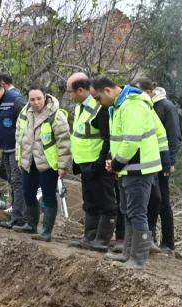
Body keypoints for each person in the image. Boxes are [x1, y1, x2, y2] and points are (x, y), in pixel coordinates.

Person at [91, 77, 168, 271]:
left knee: (137, 213)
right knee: (127, 211)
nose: (97, 103)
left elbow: (131, 142)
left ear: (108, 90)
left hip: (138, 169)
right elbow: (118, 139)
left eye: (98, 98)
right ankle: (128, 254)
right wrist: (113, 160)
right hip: (128, 168)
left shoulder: (131, 105)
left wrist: (116, 163)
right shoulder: (118, 106)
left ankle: (138, 260)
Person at [13, 84, 71, 242]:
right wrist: (20, 158)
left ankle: (46, 231)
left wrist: (62, 165)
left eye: (38, 98)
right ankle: (31, 224)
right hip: (28, 162)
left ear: (45, 97)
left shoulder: (56, 115)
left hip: (48, 163)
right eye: (32, 99)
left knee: (48, 196)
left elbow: (64, 141)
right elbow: (20, 137)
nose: (35, 102)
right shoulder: (25, 113)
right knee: (28, 192)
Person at [66, 73, 116, 252]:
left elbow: (108, 139)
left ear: (81, 90)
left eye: (70, 92)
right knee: (90, 202)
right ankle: (89, 237)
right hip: (84, 163)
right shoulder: (80, 107)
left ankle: (102, 241)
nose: (69, 95)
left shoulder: (100, 108)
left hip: (98, 164)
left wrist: (100, 162)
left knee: (105, 203)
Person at [132, 77, 181, 258]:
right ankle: (148, 239)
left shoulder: (166, 107)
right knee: (149, 200)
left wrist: (172, 161)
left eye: (136, 89)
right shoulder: (142, 106)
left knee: (163, 202)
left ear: (148, 92)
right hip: (146, 162)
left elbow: (174, 135)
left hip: (162, 162)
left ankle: (168, 243)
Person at [0, 78, 28, 228]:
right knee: (11, 180)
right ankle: (16, 212)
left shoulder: (15, 100)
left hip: (17, 149)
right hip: (6, 148)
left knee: (17, 181)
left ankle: (19, 217)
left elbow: (28, 123)